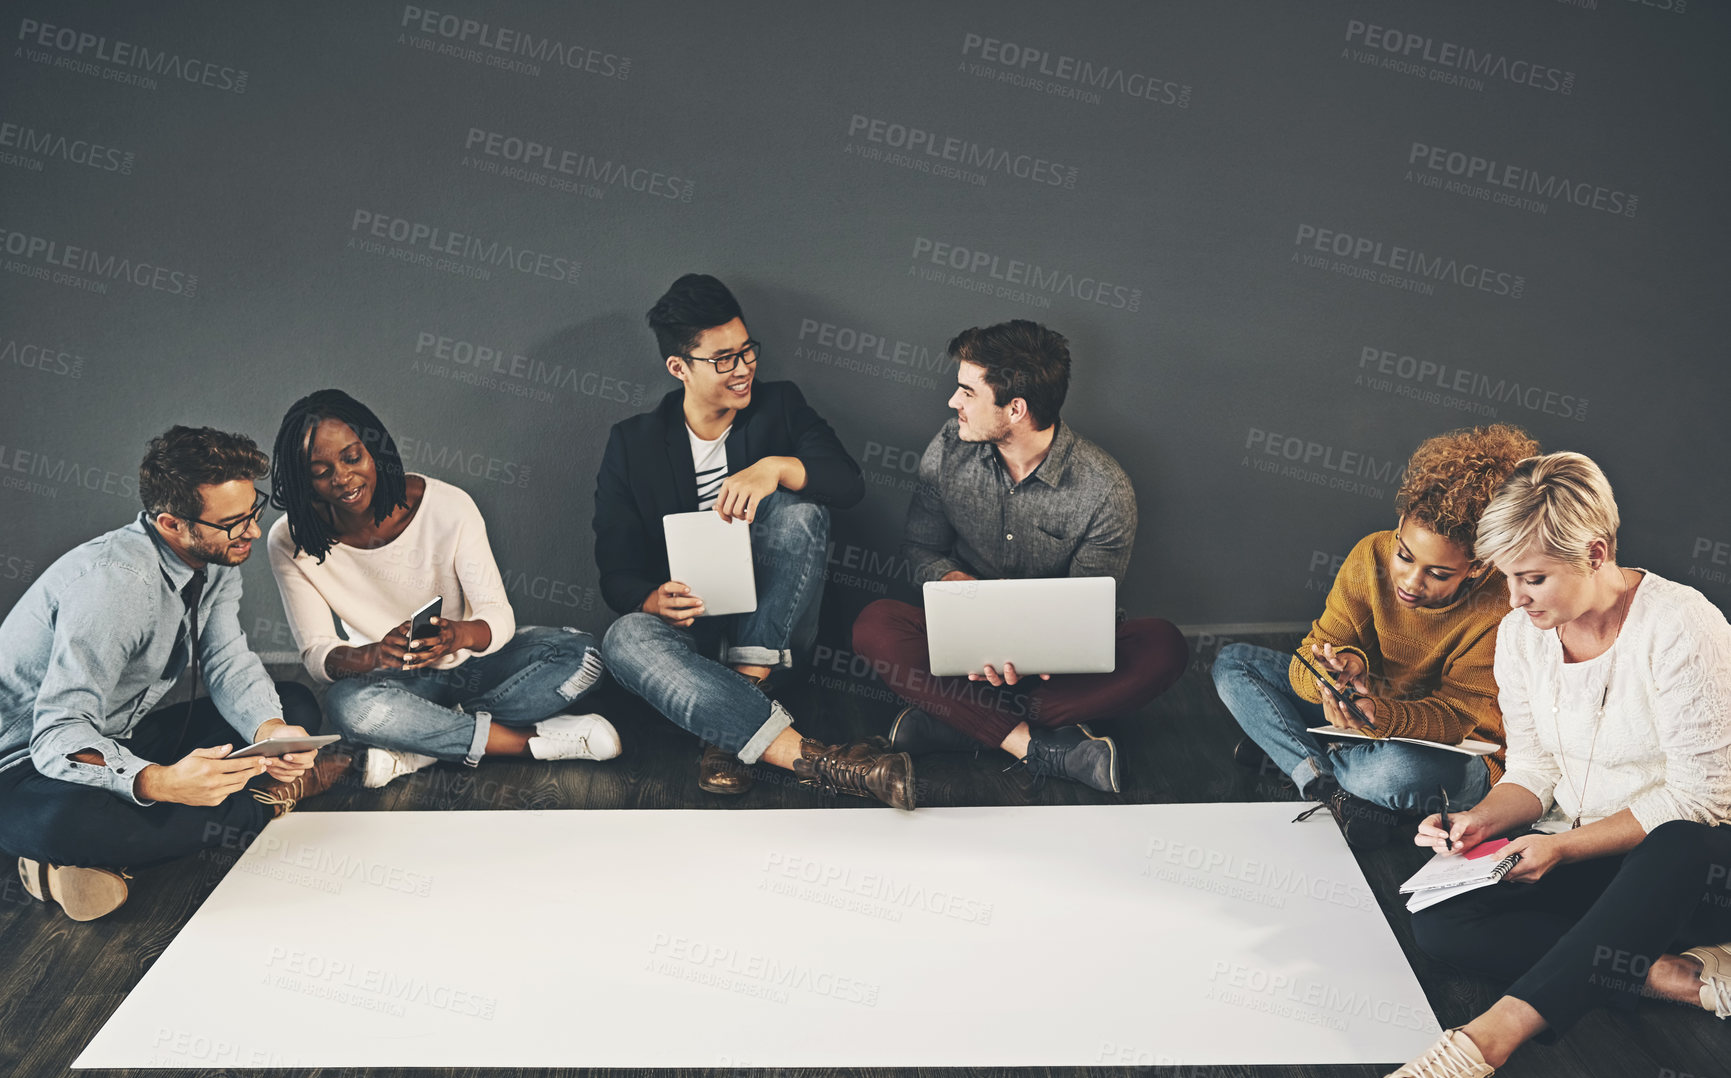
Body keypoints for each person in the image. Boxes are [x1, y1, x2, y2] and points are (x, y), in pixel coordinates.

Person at [1372, 452, 1731, 1078]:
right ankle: (1682, 977)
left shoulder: (1683, 627)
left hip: (1693, 868)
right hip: (1599, 863)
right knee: (1438, 922)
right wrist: (1479, 820)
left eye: (1532, 578)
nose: (1513, 598)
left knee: (1680, 843)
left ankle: (1479, 1044)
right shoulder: (1521, 635)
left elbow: (1702, 797)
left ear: (1594, 553)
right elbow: (1532, 771)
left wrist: (1560, 847)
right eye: (1507, 577)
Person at [0, 427, 345, 921]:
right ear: (171, 522)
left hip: (118, 736)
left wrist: (269, 731)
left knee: (294, 707)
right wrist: (159, 782)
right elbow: (57, 734)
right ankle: (270, 802)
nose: (252, 531)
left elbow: (227, 659)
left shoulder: (216, 555)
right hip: (27, 767)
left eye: (254, 510)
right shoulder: (114, 590)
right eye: (234, 522)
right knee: (68, 822)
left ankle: (85, 864)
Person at [594, 273, 913, 808]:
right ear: (679, 368)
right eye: (723, 359)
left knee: (797, 511)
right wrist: (651, 600)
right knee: (623, 637)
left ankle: (738, 705)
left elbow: (848, 484)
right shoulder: (633, 442)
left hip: (778, 632)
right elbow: (615, 572)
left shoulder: (780, 406)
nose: (743, 369)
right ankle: (814, 758)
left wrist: (776, 468)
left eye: (747, 352)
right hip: (690, 642)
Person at [851, 320, 1189, 792]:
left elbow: (1085, 609)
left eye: (967, 392)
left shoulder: (1105, 489)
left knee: (1164, 644)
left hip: (1054, 671)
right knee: (876, 622)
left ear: (1015, 408)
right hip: (965, 647)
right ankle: (1036, 746)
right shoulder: (948, 447)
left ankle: (957, 722)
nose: (954, 403)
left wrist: (1033, 647)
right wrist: (961, 592)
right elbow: (921, 549)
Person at [268, 390, 618, 788]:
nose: (342, 478)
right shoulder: (289, 541)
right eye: (320, 471)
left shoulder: (447, 506)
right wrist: (375, 653)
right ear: (303, 479)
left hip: (474, 665)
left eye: (352, 458)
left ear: (374, 450)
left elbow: (497, 616)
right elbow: (318, 654)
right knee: (348, 707)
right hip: (390, 680)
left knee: (583, 656)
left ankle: (417, 747)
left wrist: (458, 634)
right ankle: (522, 742)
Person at [1213, 425, 1539, 847]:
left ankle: (1296, 759)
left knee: (1396, 772)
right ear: (1401, 524)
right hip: (1364, 719)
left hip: (1451, 750)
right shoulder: (1371, 554)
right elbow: (1302, 668)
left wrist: (1378, 716)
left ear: (1478, 566)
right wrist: (1331, 674)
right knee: (1234, 664)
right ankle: (1331, 791)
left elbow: (1457, 719)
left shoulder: (1500, 605)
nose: (1410, 581)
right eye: (1404, 554)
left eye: (1438, 574)